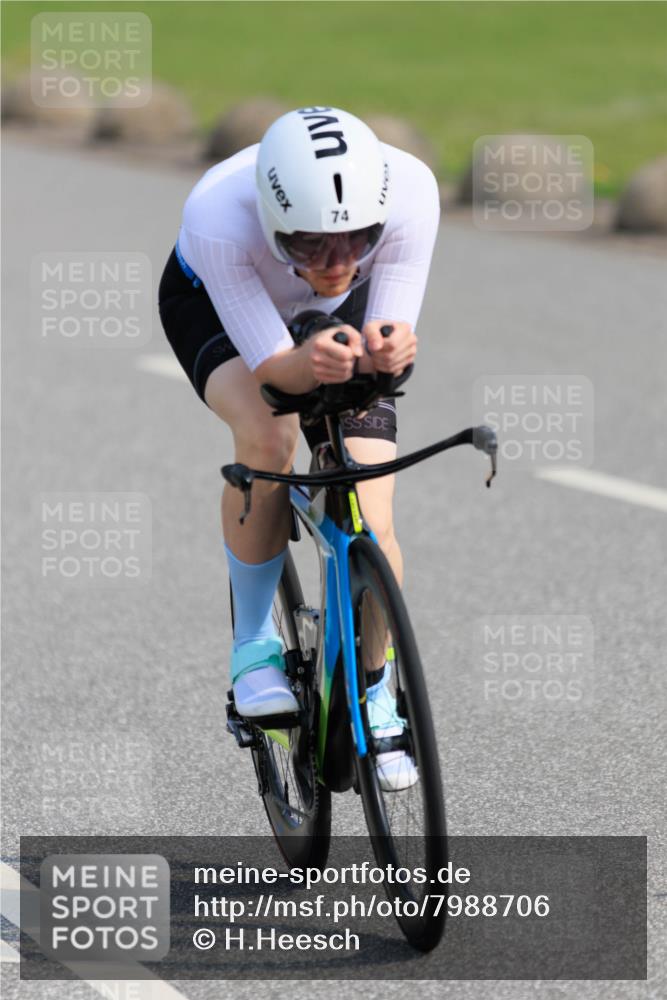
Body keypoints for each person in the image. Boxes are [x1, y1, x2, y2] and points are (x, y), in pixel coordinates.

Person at [159, 106, 439, 790]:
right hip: (221, 306)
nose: (337, 263)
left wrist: (393, 350)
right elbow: (277, 375)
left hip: (328, 322)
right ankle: (253, 645)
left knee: (372, 507)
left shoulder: (409, 192)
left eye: (355, 241)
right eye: (310, 245)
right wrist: (310, 358)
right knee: (268, 434)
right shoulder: (218, 215)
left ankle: (374, 692)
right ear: (273, 218)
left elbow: (389, 339)